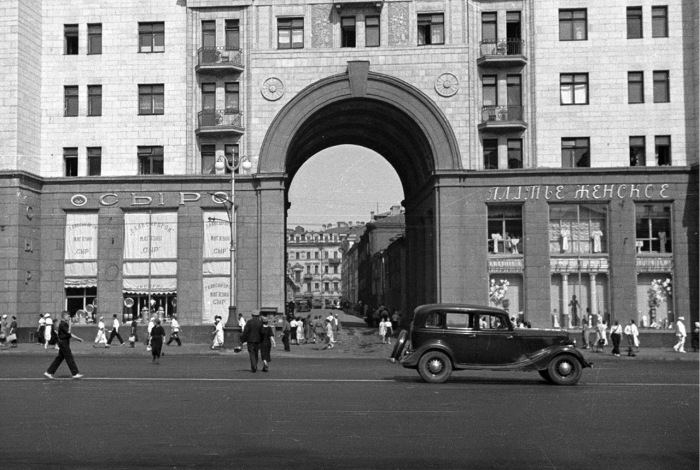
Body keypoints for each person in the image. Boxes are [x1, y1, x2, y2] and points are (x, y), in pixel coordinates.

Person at [45, 311, 84, 379]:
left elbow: (68, 332)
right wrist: (78, 338)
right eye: (68, 316)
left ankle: (49, 372)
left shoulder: (63, 324)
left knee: (59, 358)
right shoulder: (63, 324)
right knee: (69, 358)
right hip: (64, 343)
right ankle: (75, 373)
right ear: (65, 316)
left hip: (63, 342)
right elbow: (69, 333)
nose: (69, 318)